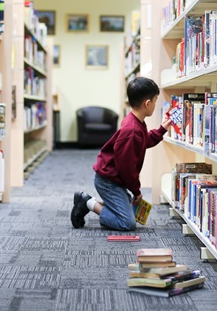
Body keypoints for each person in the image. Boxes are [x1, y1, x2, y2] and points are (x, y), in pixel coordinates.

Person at [70, 77, 172, 231]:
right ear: (147, 103)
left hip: (116, 179)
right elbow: (126, 169)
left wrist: (161, 130)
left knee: (131, 212)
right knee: (127, 223)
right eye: (155, 100)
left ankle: (106, 205)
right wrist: (136, 192)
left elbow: (144, 142)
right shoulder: (131, 130)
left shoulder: (136, 121)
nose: (155, 104)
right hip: (108, 181)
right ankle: (87, 202)